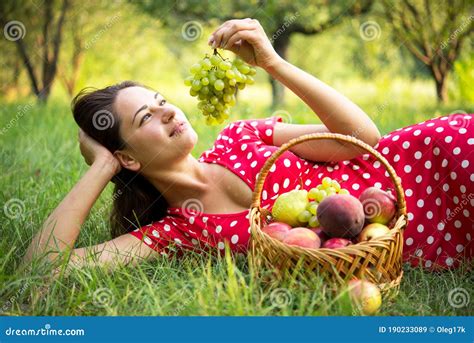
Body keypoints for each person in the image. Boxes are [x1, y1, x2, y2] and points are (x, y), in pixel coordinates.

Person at [22, 19, 472, 272]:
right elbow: (42, 266)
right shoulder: (180, 232)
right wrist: (100, 167)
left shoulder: (241, 136)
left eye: (161, 101)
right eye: (146, 118)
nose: (167, 111)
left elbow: (363, 140)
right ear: (128, 157)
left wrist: (272, 62)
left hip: (436, 156)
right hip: (409, 240)